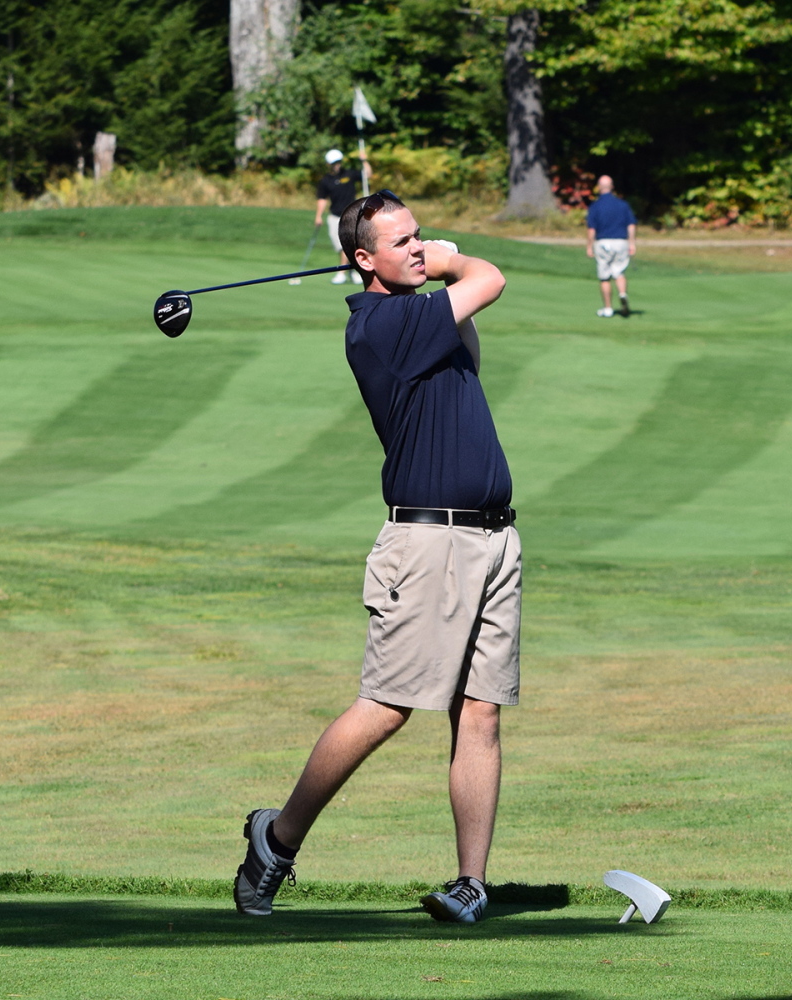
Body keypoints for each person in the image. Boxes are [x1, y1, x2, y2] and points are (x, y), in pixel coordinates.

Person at [234, 189, 520, 925]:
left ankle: (469, 884)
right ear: (363, 260)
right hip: (427, 543)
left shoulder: (423, 313)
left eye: (421, 236)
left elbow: (472, 332)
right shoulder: (385, 324)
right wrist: (454, 261)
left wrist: (433, 267)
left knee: (480, 712)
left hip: (492, 537)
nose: (419, 249)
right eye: (402, 243)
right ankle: (278, 838)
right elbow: (489, 279)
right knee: (388, 707)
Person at [315, 148, 372, 285]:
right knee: (341, 247)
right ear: (329, 164)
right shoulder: (326, 180)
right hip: (335, 216)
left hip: (351, 216)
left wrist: (364, 160)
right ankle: (353, 272)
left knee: (348, 246)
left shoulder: (349, 174)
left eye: (339, 162)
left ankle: (342, 273)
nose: (337, 165)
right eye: (334, 163)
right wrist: (318, 216)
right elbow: (322, 199)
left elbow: (367, 175)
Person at [586, 175, 637, 318]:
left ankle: (608, 308)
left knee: (605, 277)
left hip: (603, 243)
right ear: (612, 186)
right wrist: (632, 243)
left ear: (599, 187)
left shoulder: (596, 206)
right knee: (619, 272)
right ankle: (622, 293)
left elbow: (592, 229)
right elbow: (631, 225)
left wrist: (589, 246)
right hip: (621, 242)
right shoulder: (623, 205)